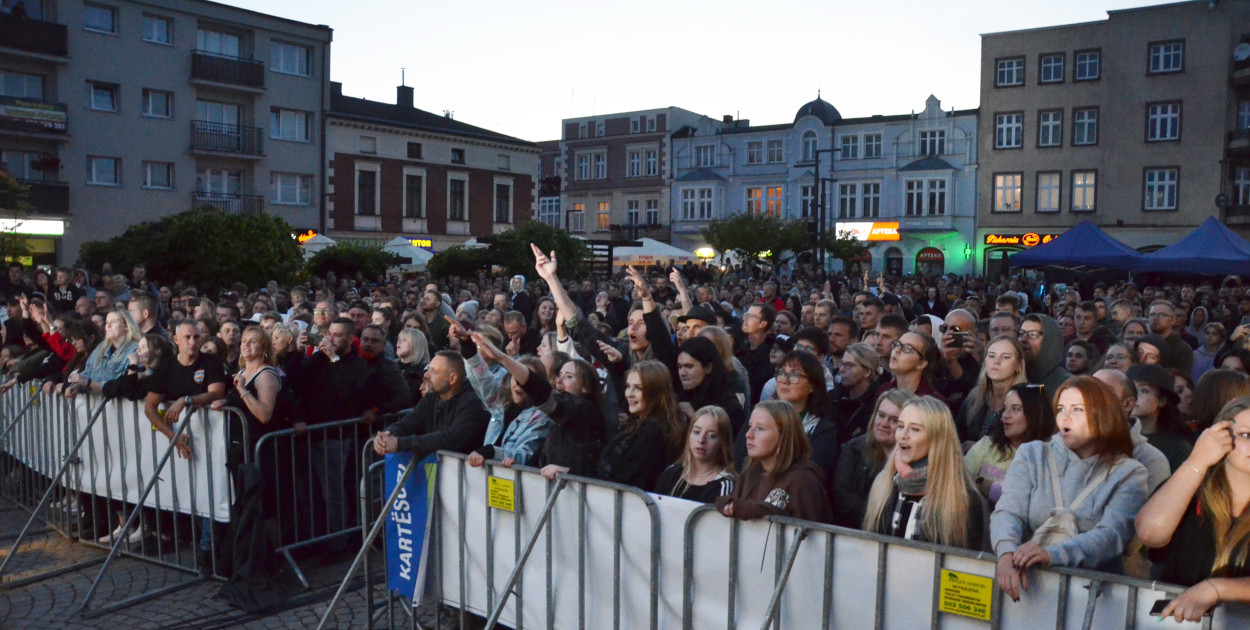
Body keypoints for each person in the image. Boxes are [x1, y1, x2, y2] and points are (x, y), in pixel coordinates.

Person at [992, 376, 1149, 602]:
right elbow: (1008, 511)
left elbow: (1111, 535)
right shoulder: (1031, 454)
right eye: (1061, 408)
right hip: (1030, 590)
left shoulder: (1130, 473)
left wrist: (1052, 554)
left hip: (1092, 599)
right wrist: (1006, 554)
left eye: (1077, 409)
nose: (1065, 417)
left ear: (1102, 414)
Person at [1136, 396, 1250, 622]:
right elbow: (1150, 533)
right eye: (1246, 435)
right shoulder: (1190, 489)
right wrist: (1197, 460)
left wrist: (1217, 588)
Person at [863, 396, 985, 550]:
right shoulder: (884, 483)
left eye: (915, 429)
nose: (903, 435)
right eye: (900, 426)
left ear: (937, 438)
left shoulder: (963, 499)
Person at [716, 400, 834, 524]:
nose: (749, 434)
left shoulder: (803, 480)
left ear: (783, 436)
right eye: (750, 426)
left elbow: (809, 535)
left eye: (760, 428)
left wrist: (747, 508)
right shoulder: (749, 474)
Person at [374, 350, 491, 459]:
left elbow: (451, 439)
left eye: (433, 371)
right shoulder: (432, 397)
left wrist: (400, 444)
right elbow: (410, 421)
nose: (425, 375)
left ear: (452, 378)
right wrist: (387, 434)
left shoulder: (473, 403)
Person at [461, 329, 551, 469]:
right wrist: (467, 343)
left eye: (525, 381)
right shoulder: (500, 404)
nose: (520, 384)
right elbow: (482, 378)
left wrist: (491, 451)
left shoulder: (540, 417)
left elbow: (524, 454)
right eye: (517, 378)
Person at [832, 389, 916, 528]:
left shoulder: (916, 459)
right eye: (881, 415)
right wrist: (875, 519)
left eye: (894, 420)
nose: (884, 423)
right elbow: (842, 496)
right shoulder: (852, 449)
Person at [964, 384, 1056, 508]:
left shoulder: (1047, 459)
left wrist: (986, 486)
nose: (1005, 415)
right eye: (1004, 408)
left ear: (1035, 413)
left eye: (1016, 408)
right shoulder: (987, 444)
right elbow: (959, 481)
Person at [600, 361, 682, 491]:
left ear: (656, 392)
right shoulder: (644, 424)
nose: (629, 394)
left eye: (638, 388)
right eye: (628, 386)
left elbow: (627, 479)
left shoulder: (652, 433)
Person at [655, 405, 735, 503]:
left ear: (722, 442)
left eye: (711, 435)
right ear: (689, 434)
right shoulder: (671, 473)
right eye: (697, 432)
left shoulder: (724, 485)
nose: (701, 440)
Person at [955, 335, 1028, 443]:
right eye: (992, 356)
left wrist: (980, 450)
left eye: (1005, 357)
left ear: (1019, 365)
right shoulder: (974, 397)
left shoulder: (1026, 400)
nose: (996, 362)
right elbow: (958, 435)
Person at [673, 336, 746, 437]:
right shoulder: (680, 395)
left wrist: (695, 416)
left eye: (689, 366)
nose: (682, 373)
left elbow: (728, 440)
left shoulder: (728, 402)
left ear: (708, 367)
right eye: (680, 367)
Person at [1126, 363, 1193, 472]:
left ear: (1162, 400)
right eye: (1130, 389)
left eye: (1144, 390)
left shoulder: (1178, 447)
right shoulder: (1112, 435)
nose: (1134, 396)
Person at [65, 309, 141, 397]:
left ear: (126, 326)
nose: (108, 326)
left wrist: (88, 382)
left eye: (113, 322)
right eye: (106, 322)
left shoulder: (136, 349)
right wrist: (77, 386)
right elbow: (88, 372)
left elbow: (122, 385)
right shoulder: (101, 348)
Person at [827, 343, 881, 443]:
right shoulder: (833, 397)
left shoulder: (877, 404)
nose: (842, 370)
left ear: (867, 372)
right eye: (842, 364)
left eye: (849, 366)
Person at [1018, 314, 1073, 394]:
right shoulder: (1011, 378)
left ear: (1050, 341)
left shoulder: (1068, 386)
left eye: (1033, 334)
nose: (1023, 339)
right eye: (1021, 333)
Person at [395, 327, 428, 408]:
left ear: (416, 344)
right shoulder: (391, 366)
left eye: (404, 340)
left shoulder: (424, 370)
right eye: (399, 339)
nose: (399, 342)